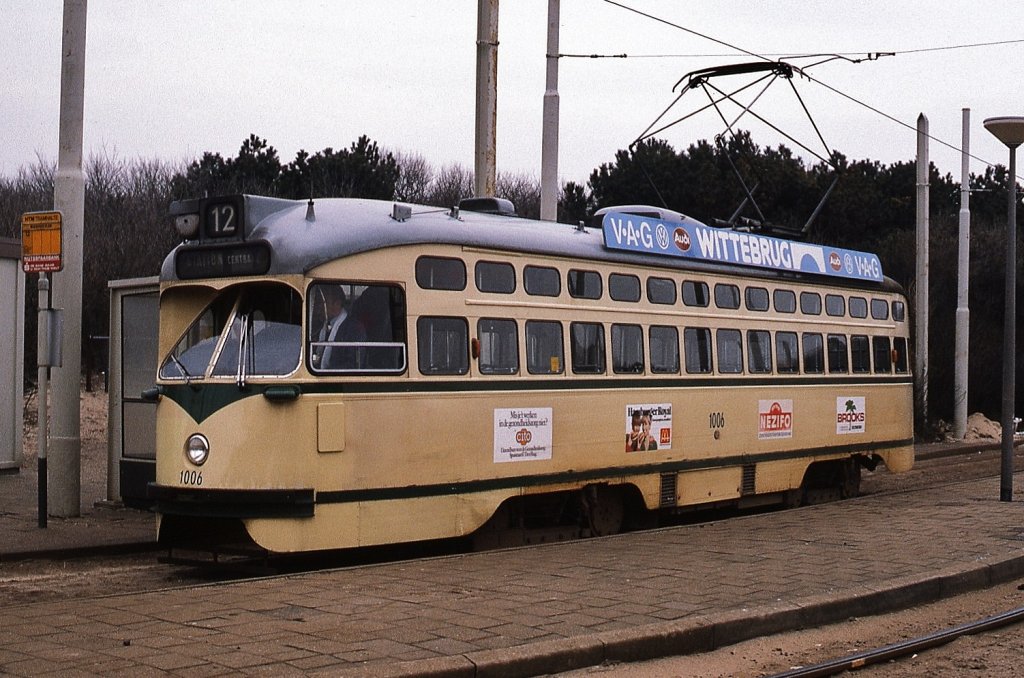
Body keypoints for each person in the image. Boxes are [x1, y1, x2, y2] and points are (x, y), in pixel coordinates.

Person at [315, 286, 367, 369]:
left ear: (337, 304)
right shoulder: (320, 326)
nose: (319, 307)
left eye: (323, 303)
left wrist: (328, 373)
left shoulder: (354, 329)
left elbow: (353, 365)